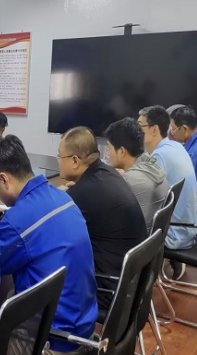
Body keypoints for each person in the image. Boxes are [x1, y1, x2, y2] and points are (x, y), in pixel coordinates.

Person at [0, 135, 98, 355]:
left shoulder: (18, 222)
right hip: (85, 328)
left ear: (3, 179)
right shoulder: (62, 197)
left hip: (54, 344)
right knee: (10, 292)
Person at [58, 127, 146, 311]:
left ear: (75, 161)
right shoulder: (108, 173)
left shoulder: (84, 193)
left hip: (108, 289)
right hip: (132, 284)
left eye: (60, 156)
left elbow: (48, 226)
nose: (58, 160)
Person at [139, 106, 197, 280]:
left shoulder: (160, 156)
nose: (136, 130)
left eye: (140, 126)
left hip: (174, 235)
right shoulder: (175, 146)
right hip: (187, 228)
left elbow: (145, 199)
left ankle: (137, 282)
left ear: (154, 129)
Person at [104, 118, 169, 233]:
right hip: (151, 240)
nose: (107, 154)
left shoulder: (127, 182)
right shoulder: (152, 167)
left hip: (133, 241)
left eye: (109, 148)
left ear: (122, 151)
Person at [170, 106, 197, 225]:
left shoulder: (194, 153)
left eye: (174, 129)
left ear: (184, 129)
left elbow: (182, 187)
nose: (172, 133)